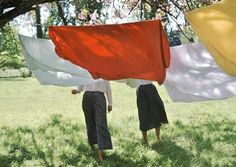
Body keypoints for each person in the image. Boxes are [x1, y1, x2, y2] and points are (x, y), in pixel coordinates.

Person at [71, 80, 113, 161]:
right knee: (90, 123)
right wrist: (76, 90)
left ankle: (100, 152)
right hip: (87, 97)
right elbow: (81, 83)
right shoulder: (87, 71)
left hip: (99, 97)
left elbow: (108, 88)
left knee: (100, 123)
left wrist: (110, 103)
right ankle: (92, 144)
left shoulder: (104, 72)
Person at [136, 79, 168, 145]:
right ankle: (145, 141)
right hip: (141, 90)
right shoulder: (135, 68)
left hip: (151, 89)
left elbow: (158, 77)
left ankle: (158, 138)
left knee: (157, 111)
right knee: (143, 114)